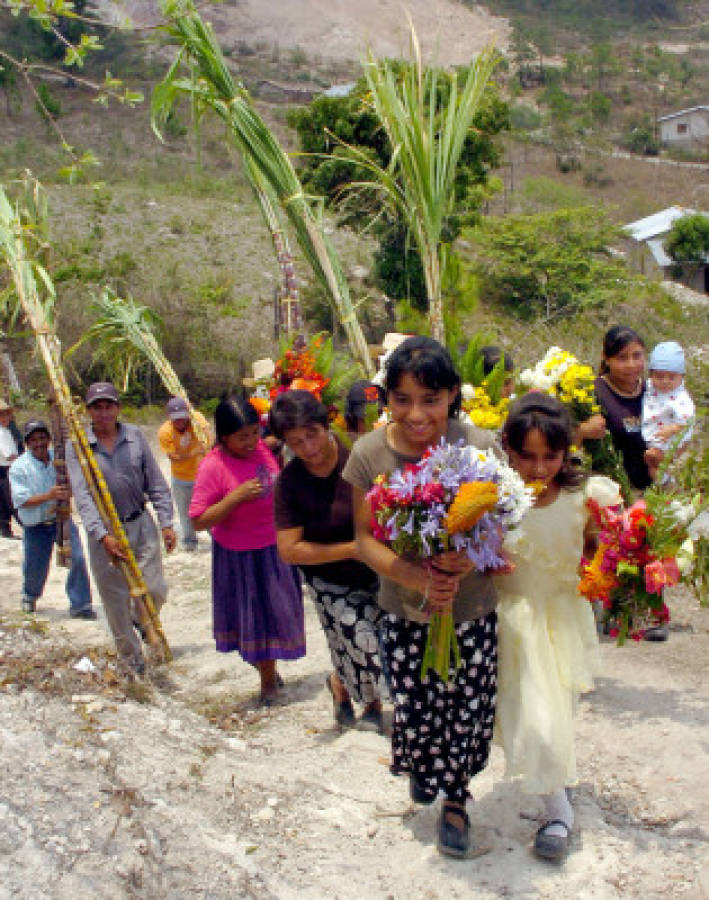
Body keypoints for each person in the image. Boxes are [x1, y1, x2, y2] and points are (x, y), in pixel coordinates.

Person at [344, 336, 501, 859]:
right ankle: (422, 765)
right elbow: (364, 538)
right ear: (385, 397)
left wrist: (472, 552)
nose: (417, 414)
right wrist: (415, 577)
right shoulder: (369, 455)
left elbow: (503, 524)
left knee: (465, 708)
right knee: (415, 704)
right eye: (403, 399)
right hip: (404, 610)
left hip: (471, 609)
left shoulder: (479, 446)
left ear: (452, 395)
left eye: (431, 400)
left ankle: (456, 801)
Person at [495, 393, 620, 861]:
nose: (539, 467)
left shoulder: (583, 497)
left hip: (561, 618)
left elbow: (601, 544)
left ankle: (558, 811)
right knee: (525, 713)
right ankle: (550, 793)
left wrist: (607, 560)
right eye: (526, 456)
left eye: (551, 456)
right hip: (514, 621)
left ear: (567, 451)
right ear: (507, 447)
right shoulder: (492, 498)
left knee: (550, 716)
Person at [270, 390, 386, 731]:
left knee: (375, 634)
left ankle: (340, 684)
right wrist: (352, 549)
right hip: (328, 576)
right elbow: (289, 549)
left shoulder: (360, 456)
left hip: (376, 568)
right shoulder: (290, 483)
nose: (308, 447)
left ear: (327, 425)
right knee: (358, 635)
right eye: (296, 441)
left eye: (313, 434)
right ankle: (373, 704)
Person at [189, 395, 305, 705]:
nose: (251, 441)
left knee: (273, 617)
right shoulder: (213, 466)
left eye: (254, 432)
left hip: (273, 549)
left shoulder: (262, 450)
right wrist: (234, 498)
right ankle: (266, 676)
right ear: (224, 437)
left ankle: (268, 679)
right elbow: (198, 520)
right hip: (239, 557)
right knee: (249, 622)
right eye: (242, 437)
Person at [66, 382, 177, 675]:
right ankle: (132, 664)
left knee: (154, 589)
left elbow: (155, 481)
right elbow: (83, 495)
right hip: (105, 535)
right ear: (88, 411)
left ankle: (142, 622)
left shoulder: (135, 436)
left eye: (109, 406)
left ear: (118, 408)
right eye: (97, 408)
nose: (103, 413)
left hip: (140, 525)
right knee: (115, 601)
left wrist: (166, 522)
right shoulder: (78, 444)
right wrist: (102, 536)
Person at [9, 419, 95, 619]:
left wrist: (68, 492)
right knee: (35, 566)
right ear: (27, 443)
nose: (39, 443)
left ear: (48, 439)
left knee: (78, 559)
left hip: (61, 519)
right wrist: (49, 495)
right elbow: (21, 501)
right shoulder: (20, 467)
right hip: (36, 525)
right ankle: (30, 596)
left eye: (42, 438)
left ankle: (81, 605)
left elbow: (75, 483)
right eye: (33, 440)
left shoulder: (59, 460)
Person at [592, 325, 652, 491]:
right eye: (622, 358)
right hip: (610, 492)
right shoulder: (595, 393)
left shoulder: (653, 392)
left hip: (653, 492)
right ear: (606, 358)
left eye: (637, 356)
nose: (631, 364)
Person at [157, 396, 211, 551]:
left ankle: (217, 540)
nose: (180, 422)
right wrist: (193, 453)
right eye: (176, 420)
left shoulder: (196, 419)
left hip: (202, 476)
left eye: (182, 418)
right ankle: (189, 545)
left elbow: (209, 436)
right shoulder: (165, 432)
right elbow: (173, 457)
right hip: (181, 479)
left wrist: (206, 442)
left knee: (207, 510)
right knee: (186, 514)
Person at [641, 341, 695, 481]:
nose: (665, 381)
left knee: (659, 466)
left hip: (670, 435)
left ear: (681, 377)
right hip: (654, 430)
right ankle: (658, 474)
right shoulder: (650, 387)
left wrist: (672, 429)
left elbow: (687, 420)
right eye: (659, 376)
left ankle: (661, 481)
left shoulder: (681, 398)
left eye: (671, 377)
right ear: (651, 374)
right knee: (652, 464)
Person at [0, 398, 23, 539]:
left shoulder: (7, 431)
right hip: (6, 469)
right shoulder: (3, 433)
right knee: (12, 500)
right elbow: (10, 455)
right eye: (1, 415)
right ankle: (26, 524)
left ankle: (4, 528)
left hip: (3, 469)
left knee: (3, 502)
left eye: (6, 414)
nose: (5, 418)